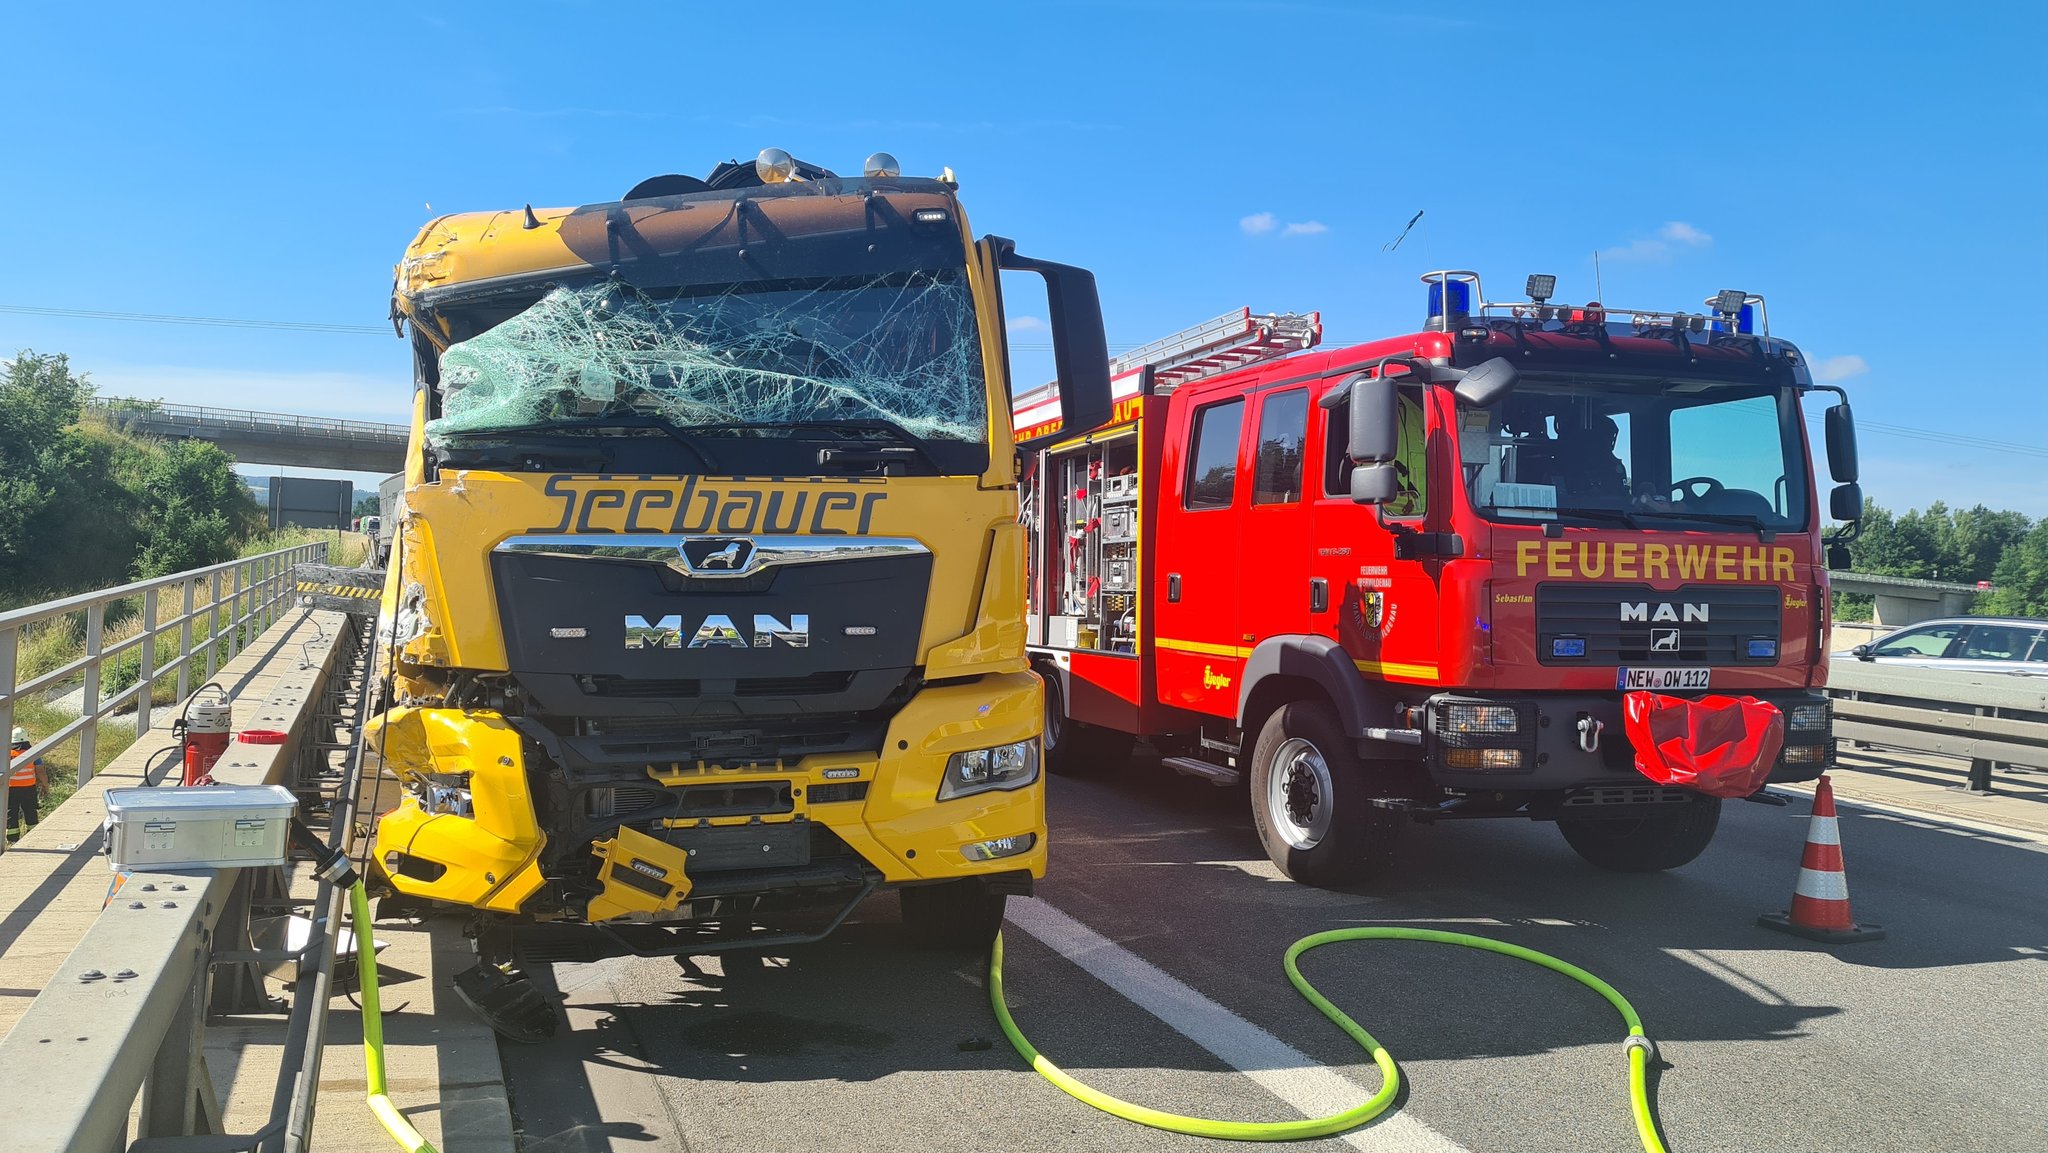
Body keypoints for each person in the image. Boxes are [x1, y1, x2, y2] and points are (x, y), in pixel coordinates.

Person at [1553, 412, 1629, 505]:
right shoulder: (1566, 467)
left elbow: (1621, 501)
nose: (1609, 441)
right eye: (1606, 436)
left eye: (1610, 436)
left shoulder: (1614, 468)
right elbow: (1560, 501)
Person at [8, 726, 43, 839]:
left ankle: (12, 839)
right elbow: (40, 771)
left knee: (11, 813)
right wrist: (45, 785)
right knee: (30, 811)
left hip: (10, 789)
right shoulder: (32, 753)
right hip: (28, 788)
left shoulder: (7, 753)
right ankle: (32, 837)